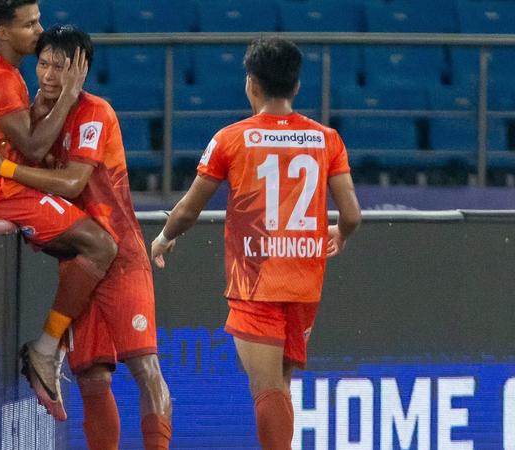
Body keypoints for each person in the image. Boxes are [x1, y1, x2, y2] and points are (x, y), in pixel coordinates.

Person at [0, 25, 173, 450]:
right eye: (44, 63)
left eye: (63, 66)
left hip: (119, 251)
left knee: (147, 370)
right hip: (79, 258)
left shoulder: (95, 112)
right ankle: (48, 348)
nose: (51, 74)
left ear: (82, 71)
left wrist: (2, 169)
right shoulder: (30, 114)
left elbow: (74, 182)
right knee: (92, 379)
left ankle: (47, 346)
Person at [150, 37, 362, 449]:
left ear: (252, 84)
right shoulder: (327, 139)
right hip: (304, 283)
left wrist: (163, 237)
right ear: (296, 86)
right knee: (280, 386)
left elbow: (190, 208)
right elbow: (352, 215)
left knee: (266, 389)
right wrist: (341, 233)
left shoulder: (231, 139)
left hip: (255, 282)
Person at [0, 0, 120, 418]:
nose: (38, 29)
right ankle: (46, 350)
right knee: (101, 247)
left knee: (85, 250)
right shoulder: (3, 80)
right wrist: (68, 94)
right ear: (3, 32)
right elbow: (32, 145)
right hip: (2, 191)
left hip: (0, 182)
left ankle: (58, 343)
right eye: (29, 24)